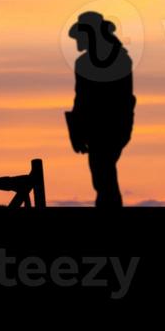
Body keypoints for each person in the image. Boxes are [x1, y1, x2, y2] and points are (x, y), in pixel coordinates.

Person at [66, 12, 135, 208]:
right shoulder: (117, 60)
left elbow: (83, 101)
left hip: (108, 128)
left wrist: (80, 130)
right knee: (103, 175)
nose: (77, 41)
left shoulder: (114, 62)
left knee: (102, 174)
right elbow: (81, 101)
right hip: (106, 128)